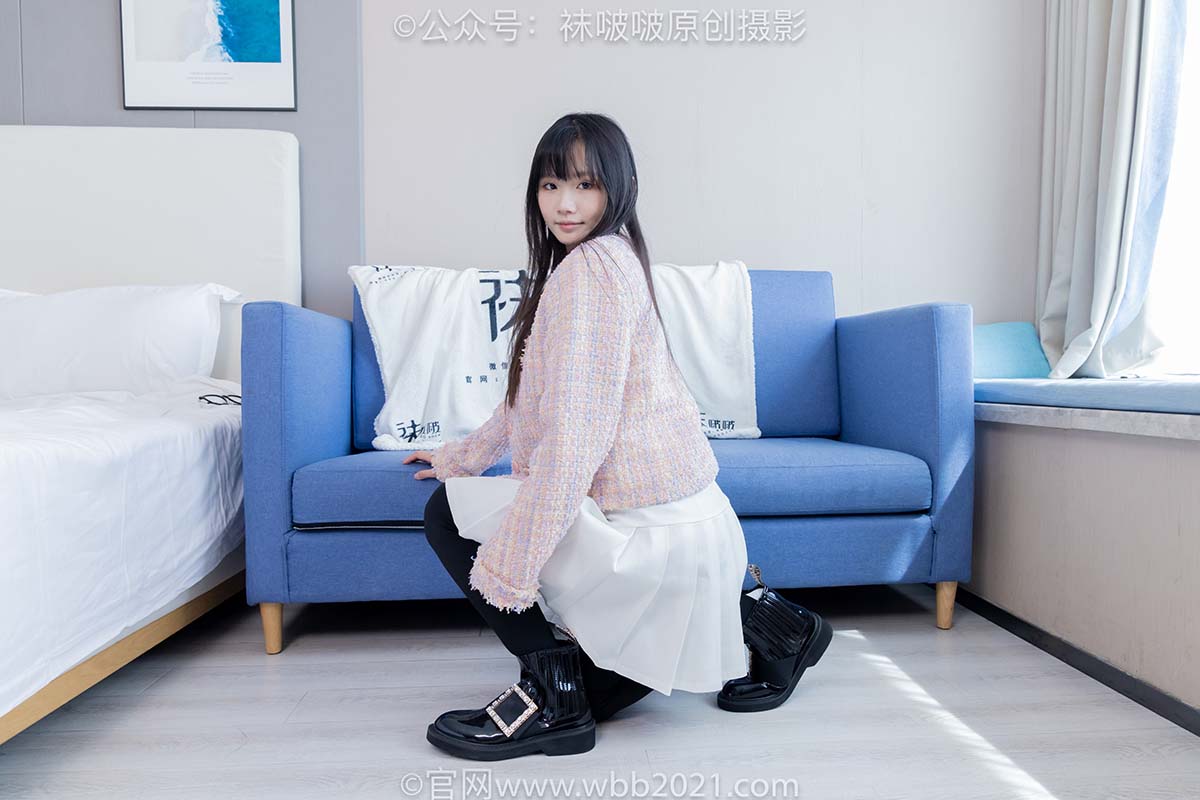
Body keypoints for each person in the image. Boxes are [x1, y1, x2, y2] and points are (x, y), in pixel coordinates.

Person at [404, 113, 832, 761]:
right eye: (551, 185)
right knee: (604, 681)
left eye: (585, 185)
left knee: (448, 515)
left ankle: (554, 703)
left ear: (619, 187)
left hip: (654, 541)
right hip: (696, 529)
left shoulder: (591, 273)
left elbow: (574, 440)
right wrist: (460, 457)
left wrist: (511, 568)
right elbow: (530, 401)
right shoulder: (607, 259)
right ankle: (781, 630)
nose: (565, 204)